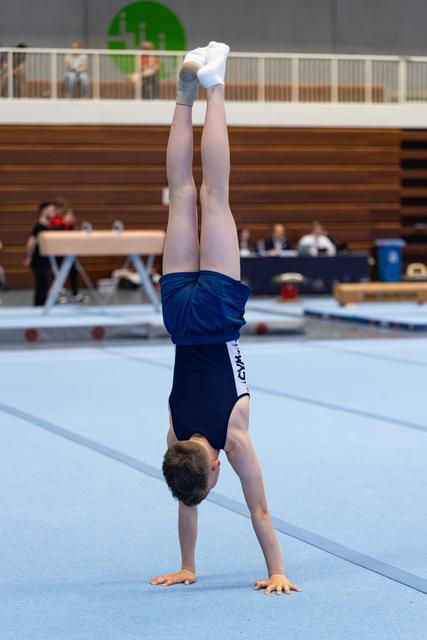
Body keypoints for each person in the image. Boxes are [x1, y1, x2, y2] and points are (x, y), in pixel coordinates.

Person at [150, 42, 301, 597]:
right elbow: (186, 497)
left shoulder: (233, 442)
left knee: (215, 196)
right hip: (177, 317)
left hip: (216, 315)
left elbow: (259, 510)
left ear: (215, 470)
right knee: (182, 196)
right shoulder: (174, 443)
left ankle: (215, 83)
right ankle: (184, 98)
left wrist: (278, 571)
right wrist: (187, 564)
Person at [24, 202, 56, 306]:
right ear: (44, 211)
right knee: (41, 287)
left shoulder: (47, 226)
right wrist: (28, 257)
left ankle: (43, 307)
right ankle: (38, 308)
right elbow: (30, 243)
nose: (54, 213)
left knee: (44, 286)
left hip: (46, 260)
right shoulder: (39, 226)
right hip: (39, 261)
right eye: (51, 211)